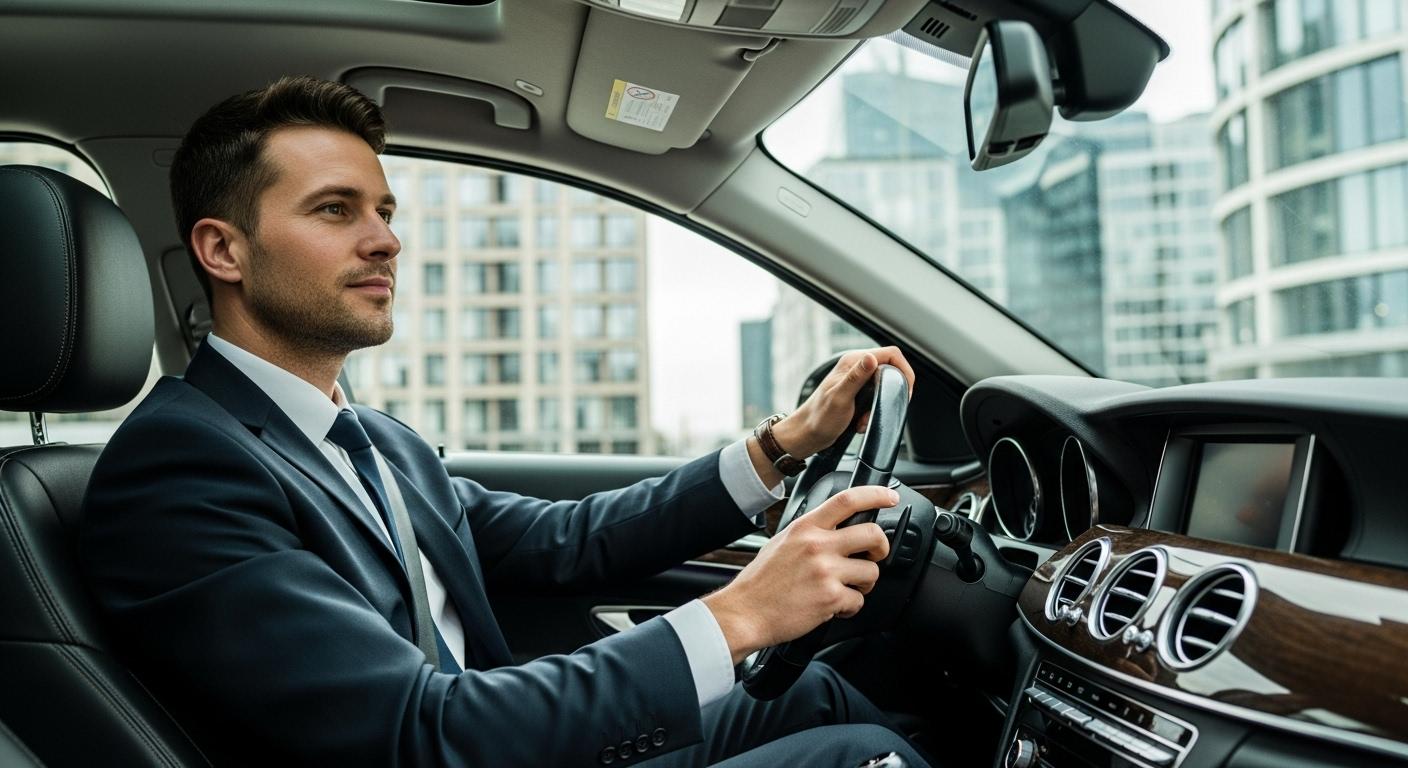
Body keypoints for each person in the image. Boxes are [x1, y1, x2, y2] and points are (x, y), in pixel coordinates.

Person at [80, 75, 932, 768]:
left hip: (513, 742)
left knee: (813, 697)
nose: (385, 242)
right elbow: (416, 733)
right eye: (336, 209)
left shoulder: (374, 441)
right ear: (223, 251)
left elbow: (569, 543)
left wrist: (784, 444)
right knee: (859, 758)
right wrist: (742, 614)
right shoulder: (179, 467)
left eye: (385, 212)